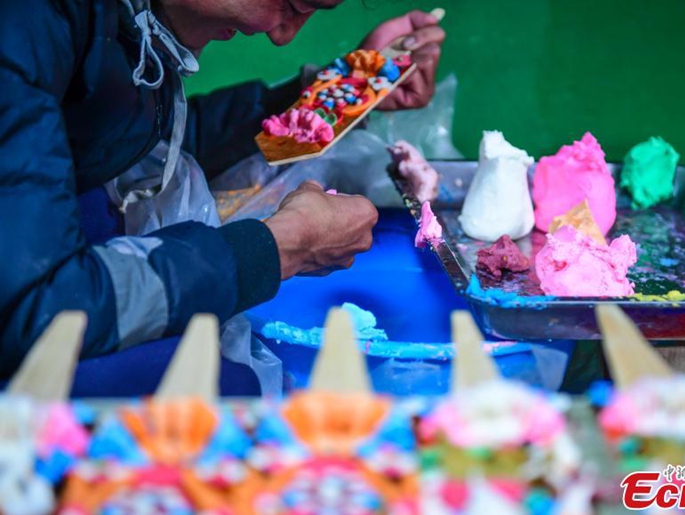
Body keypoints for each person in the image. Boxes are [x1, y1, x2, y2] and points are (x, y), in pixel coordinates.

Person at [0, 0, 446, 378]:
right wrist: (275, 248)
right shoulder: (23, 24)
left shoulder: (114, 20)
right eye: (290, 3)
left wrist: (349, 88)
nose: (283, 35)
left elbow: (141, 147)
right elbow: (36, 309)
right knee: (218, 385)